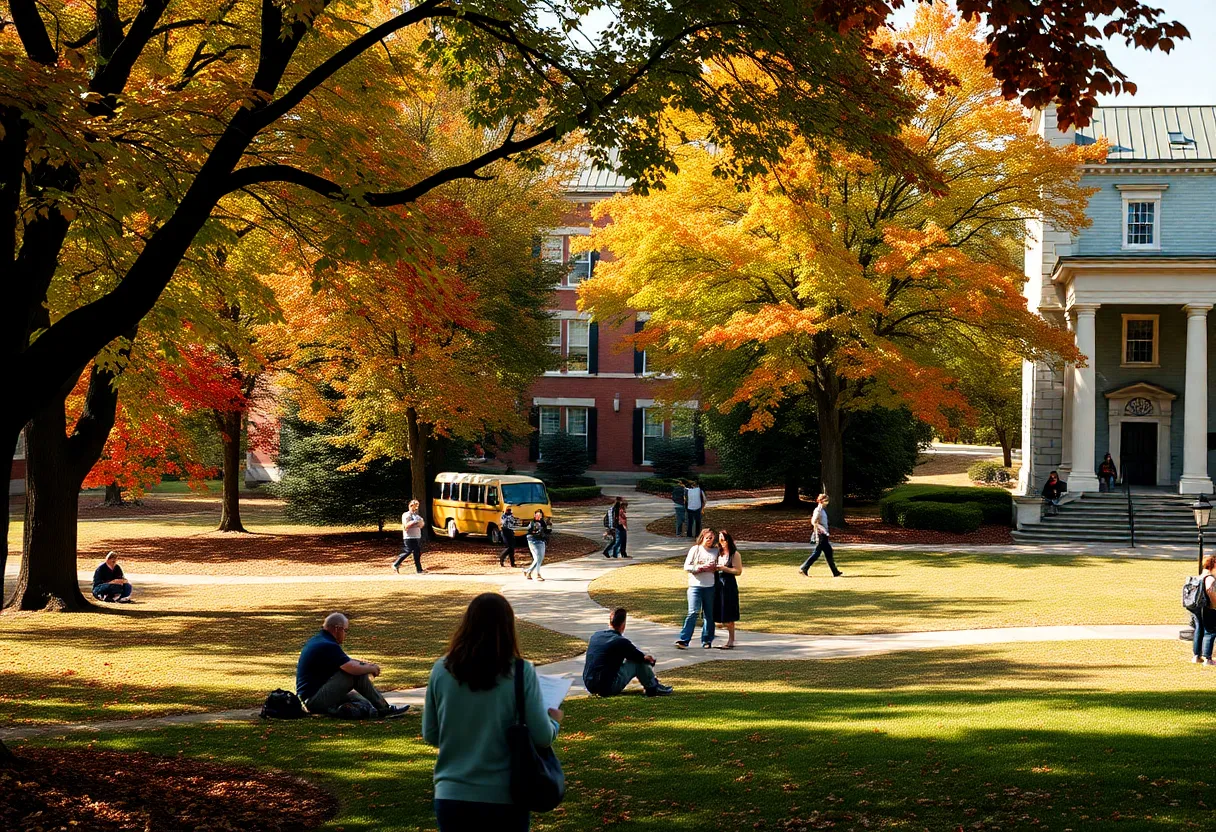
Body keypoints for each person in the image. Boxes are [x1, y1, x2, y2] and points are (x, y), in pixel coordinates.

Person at [423, 593, 563, 831]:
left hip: (452, 795)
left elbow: (431, 734)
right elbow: (541, 737)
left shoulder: (442, 669)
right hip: (504, 796)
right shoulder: (520, 671)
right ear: (509, 627)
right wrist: (554, 720)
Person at [296, 612, 410, 718]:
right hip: (313, 700)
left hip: (314, 696)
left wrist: (366, 666)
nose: (345, 634)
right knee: (356, 675)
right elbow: (352, 669)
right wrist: (371, 668)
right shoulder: (327, 645)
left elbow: (347, 661)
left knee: (364, 701)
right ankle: (385, 709)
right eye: (345, 630)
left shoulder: (321, 640)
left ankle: (342, 709)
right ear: (337, 629)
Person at [583, 608, 673, 697]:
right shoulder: (621, 641)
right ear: (623, 625)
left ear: (609, 622)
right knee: (638, 662)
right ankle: (653, 687)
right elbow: (640, 658)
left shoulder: (595, 636)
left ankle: (652, 686)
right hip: (607, 688)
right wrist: (649, 660)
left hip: (590, 685)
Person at [676, 529, 718, 649]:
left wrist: (715, 567)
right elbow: (687, 566)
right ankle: (684, 639)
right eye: (708, 538)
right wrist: (701, 567)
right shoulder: (695, 549)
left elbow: (721, 564)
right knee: (693, 612)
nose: (710, 540)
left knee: (709, 614)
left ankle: (707, 640)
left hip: (709, 586)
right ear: (702, 537)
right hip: (695, 586)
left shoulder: (716, 551)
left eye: (712, 538)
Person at [799, 493, 842, 578]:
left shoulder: (822, 510)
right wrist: (821, 530)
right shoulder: (818, 510)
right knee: (816, 553)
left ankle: (835, 572)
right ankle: (804, 568)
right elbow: (814, 522)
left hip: (824, 535)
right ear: (821, 501)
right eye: (825, 501)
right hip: (820, 535)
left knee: (828, 551)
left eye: (827, 501)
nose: (827, 502)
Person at [714, 531, 743, 649]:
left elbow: (738, 571)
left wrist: (724, 568)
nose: (722, 543)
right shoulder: (717, 553)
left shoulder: (734, 554)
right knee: (716, 611)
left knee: (729, 612)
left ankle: (731, 640)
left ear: (728, 540)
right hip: (717, 583)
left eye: (724, 540)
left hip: (728, 584)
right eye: (720, 540)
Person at [1191, 555, 1216, 666]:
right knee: (1210, 631)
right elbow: (1209, 589)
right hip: (1207, 607)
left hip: (1196, 607)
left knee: (1199, 630)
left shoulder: (1199, 577)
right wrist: (1215, 603)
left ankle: (1197, 656)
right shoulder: (1209, 577)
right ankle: (1207, 658)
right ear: (1213, 564)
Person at [393, 499, 426, 573]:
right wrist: (414, 522)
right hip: (409, 537)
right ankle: (396, 564)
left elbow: (421, 525)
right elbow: (406, 526)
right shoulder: (406, 515)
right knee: (408, 551)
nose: (416, 509)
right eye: (415, 506)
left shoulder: (417, 516)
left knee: (417, 553)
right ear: (410, 506)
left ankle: (419, 569)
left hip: (417, 536)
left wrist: (419, 522)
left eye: (417, 507)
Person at [523, 510, 548, 581]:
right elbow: (529, 531)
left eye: (540, 515)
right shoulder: (532, 523)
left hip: (541, 541)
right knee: (538, 558)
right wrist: (535, 532)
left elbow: (546, 531)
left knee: (540, 558)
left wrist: (544, 537)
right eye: (537, 515)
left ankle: (528, 571)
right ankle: (537, 574)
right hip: (533, 541)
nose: (538, 516)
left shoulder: (543, 522)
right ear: (534, 515)